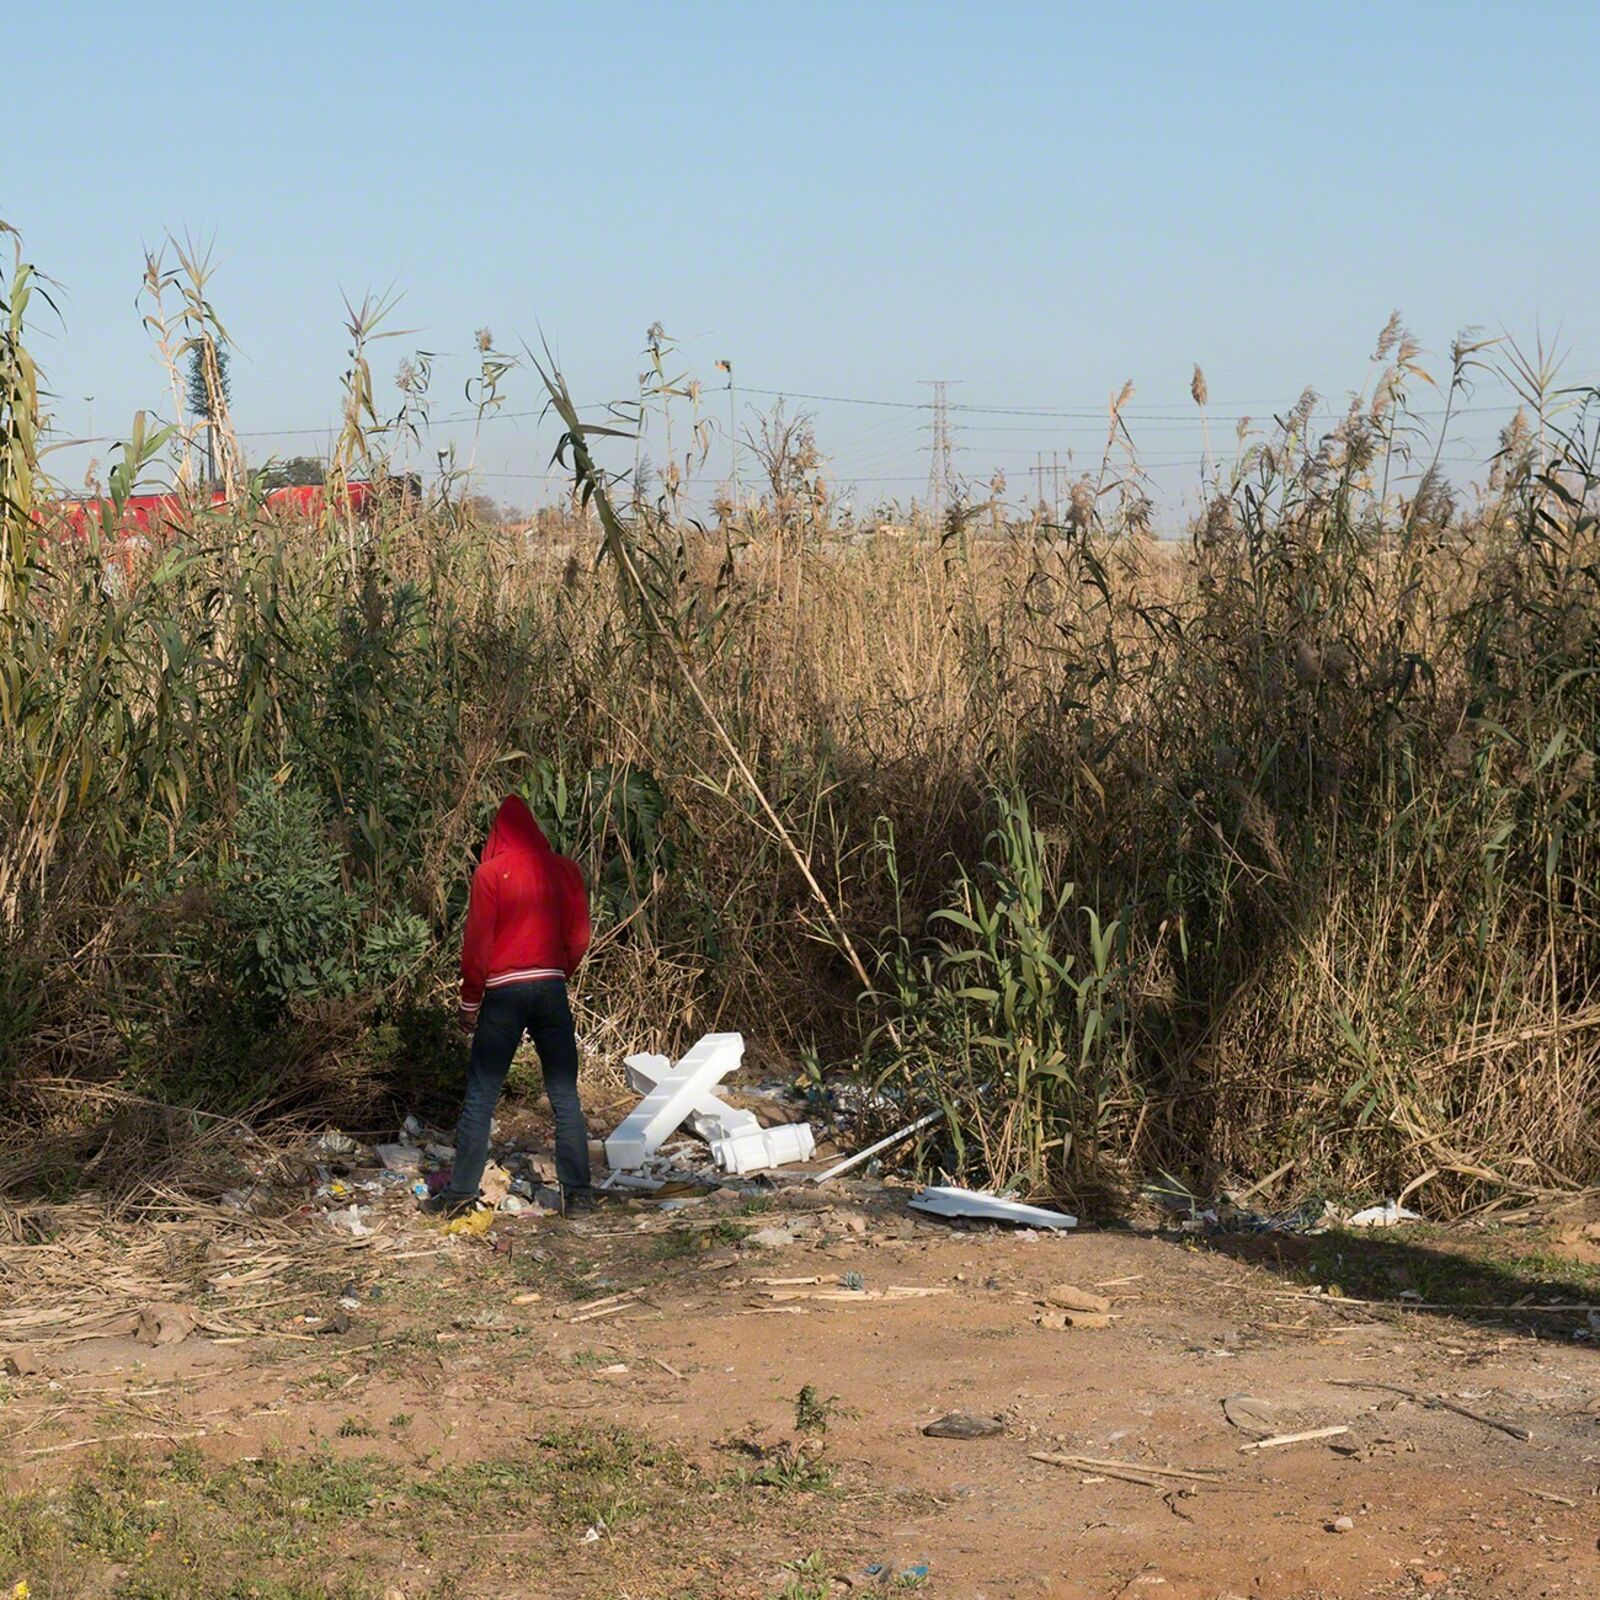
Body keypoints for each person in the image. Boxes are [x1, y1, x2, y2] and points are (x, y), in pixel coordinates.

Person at [423, 794, 599, 1218]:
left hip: (502, 995)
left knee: (482, 1096)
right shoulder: (566, 870)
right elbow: (579, 937)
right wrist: (558, 973)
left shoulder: (489, 874)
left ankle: (460, 1195)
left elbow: (477, 947)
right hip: (550, 989)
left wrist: (469, 1003)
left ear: (496, 834)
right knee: (564, 1095)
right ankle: (578, 1195)